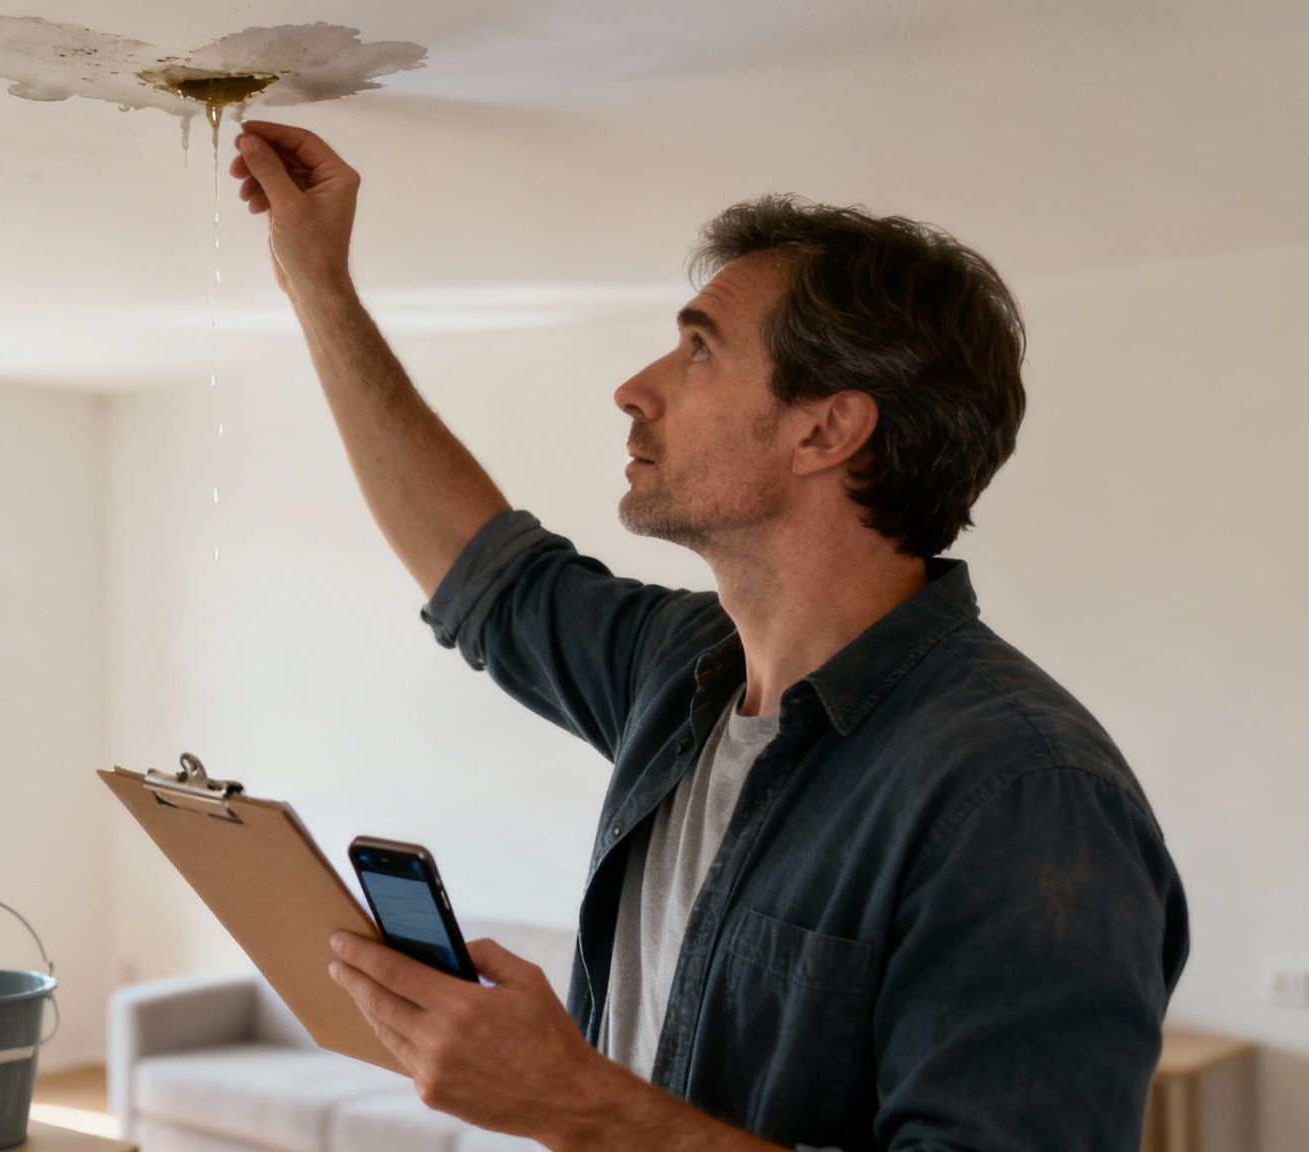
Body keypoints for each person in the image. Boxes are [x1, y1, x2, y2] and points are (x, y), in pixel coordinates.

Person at [228, 119, 1189, 1152]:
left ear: (824, 429)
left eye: (697, 348)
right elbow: (482, 572)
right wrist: (316, 284)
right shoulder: (677, 671)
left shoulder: (1022, 793)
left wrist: (571, 1104)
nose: (633, 387)